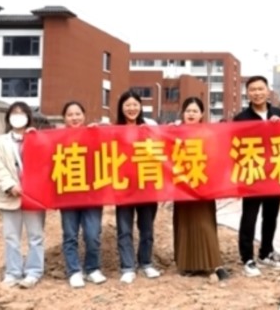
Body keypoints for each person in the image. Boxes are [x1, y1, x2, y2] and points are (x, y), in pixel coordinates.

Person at [234, 75, 280, 277]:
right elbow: (235, 147)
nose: (257, 93)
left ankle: (266, 252)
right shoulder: (241, 119)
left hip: (274, 173)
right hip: (252, 173)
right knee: (249, 217)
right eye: (253, 90)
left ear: (267, 90)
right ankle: (247, 258)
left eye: (260, 89)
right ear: (247, 93)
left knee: (270, 216)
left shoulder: (277, 113)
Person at [173, 97, 229, 281]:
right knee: (185, 223)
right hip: (182, 186)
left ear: (202, 114)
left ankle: (214, 264)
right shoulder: (174, 132)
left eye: (195, 111)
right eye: (188, 111)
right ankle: (188, 264)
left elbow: (215, 157)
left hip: (203, 185)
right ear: (183, 113)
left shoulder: (208, 134)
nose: (191, 114)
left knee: (204, 223)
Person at [0, 102, 45, 289]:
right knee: (11, 237)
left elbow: (47, 162)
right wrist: (10, 185)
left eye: (22, 113)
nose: (18, 116)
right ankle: (13, 272)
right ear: (8, 117)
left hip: (33, 196)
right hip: (10, 196)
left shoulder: (37, 138)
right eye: (14, 113)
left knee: (35, 236)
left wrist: (36, 139)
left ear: (28, 117)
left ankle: (34, 271)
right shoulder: (0, 142)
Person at [58, 101, 107, 288]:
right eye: (70, 114)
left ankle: (92, 268)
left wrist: (99, 132)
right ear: (64, 118)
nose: (74, 118)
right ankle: (74, 271)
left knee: (92, 235)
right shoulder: (57, 138)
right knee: (70, 235)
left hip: (92, 195)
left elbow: (112, 145)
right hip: (68, 196)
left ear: (84, 116)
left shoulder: (94, 134)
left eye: (78, 114)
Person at [115, 90, 162, 284]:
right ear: (121, 108)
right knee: (124, 228)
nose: (131, 108)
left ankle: (146, 262)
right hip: (123, 187)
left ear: (140, 106)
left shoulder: (150, 126)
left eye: (135, 104)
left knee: (147, 228)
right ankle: (127, 267)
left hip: (147, 184)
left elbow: (165, 145)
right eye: (127, 105)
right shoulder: (114, 130)